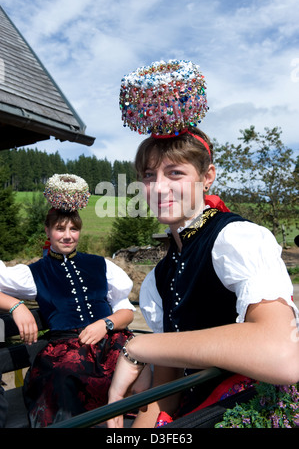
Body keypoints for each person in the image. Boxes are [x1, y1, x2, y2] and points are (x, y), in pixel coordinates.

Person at [107, 59, 299, 428]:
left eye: (175, 173)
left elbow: (283, 356)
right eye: (149, 175)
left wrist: (138, 347)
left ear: (207, 177)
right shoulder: (159, 278)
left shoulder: (236, 238)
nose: (158, 187)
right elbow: (166, 386)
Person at [0, 174, 135, 427]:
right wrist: (16, 306)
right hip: (65, 351)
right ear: (48, 230)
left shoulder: (101, 265)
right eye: (60, 229)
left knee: (142, 364)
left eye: (73, 229)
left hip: (111, 343)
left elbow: (126, 312)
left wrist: (104, 324)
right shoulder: (35, 272)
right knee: (63, 378)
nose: (67, 235)